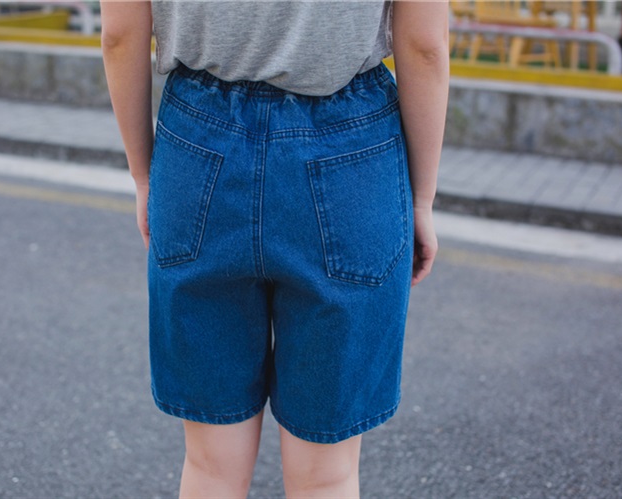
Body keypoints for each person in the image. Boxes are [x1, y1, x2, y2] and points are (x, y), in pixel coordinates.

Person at [100, 1, 449, 497]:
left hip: (198, 147)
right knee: (327, 474)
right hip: (349, 151)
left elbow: (119, 35)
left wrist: (143, 175)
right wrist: (421, 198)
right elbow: (425, 46)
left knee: (210, 465)